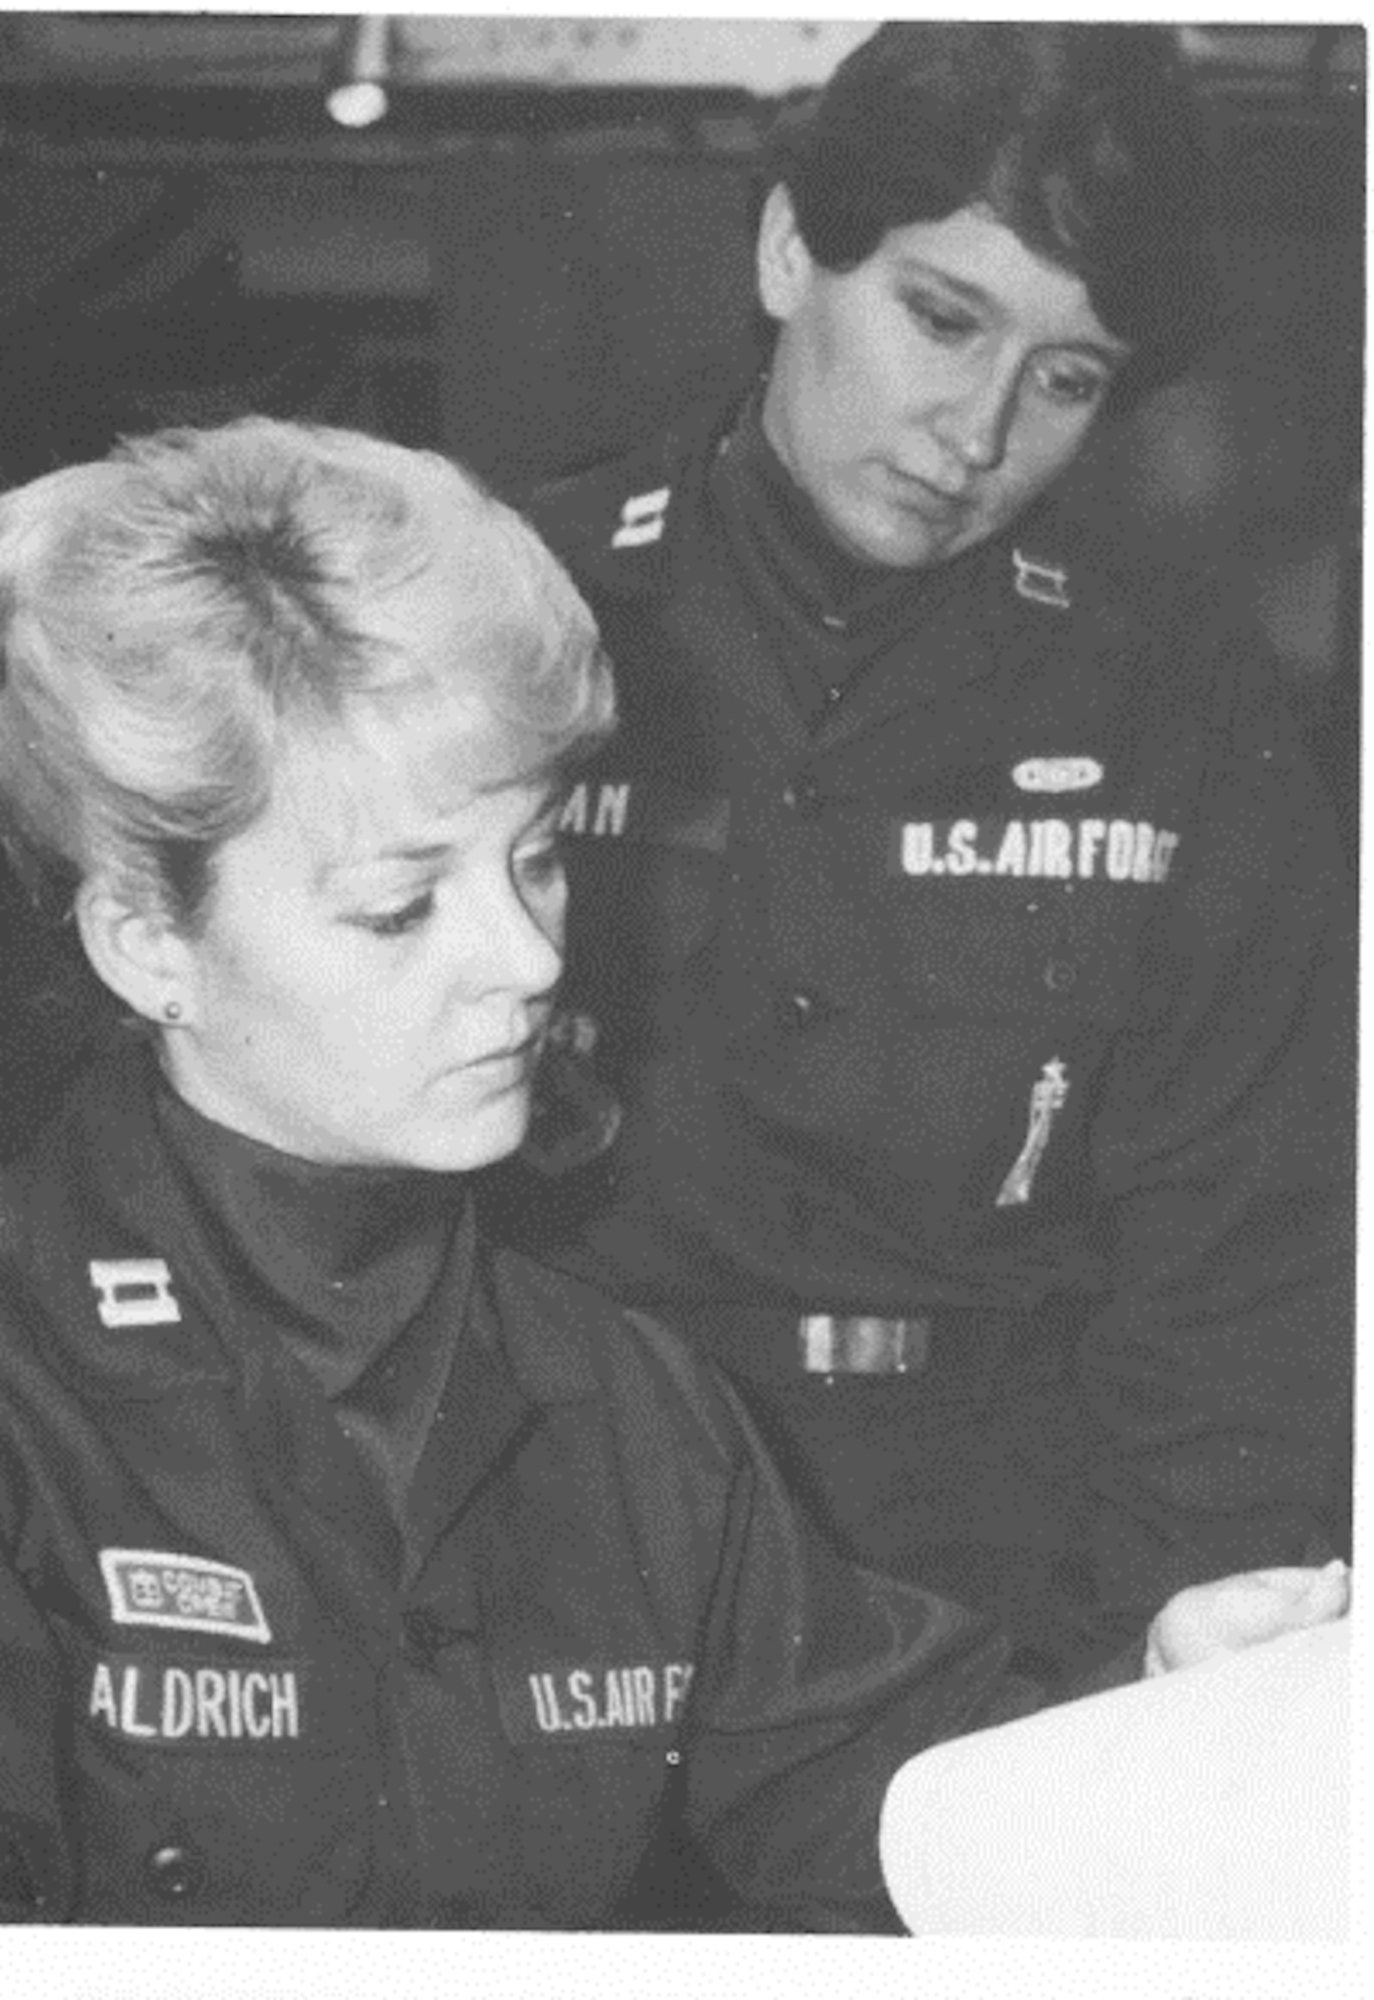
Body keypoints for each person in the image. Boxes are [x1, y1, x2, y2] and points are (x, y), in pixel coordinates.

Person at [0, 417, 1331, 1929]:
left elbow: (883, 1809)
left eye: (540, 857)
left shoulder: (630, 1407)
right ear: (146, 943)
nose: (528, 957)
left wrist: (1155, 1720)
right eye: (399, 907)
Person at [490, 21, 1355, 1678]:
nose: (978, 428)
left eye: (1069, 378)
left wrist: (1173, 1642)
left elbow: (1246, 1243)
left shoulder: (1176, 696)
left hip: (997, 1567)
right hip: (557, 1498)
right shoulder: (517, 604)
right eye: (941, 319)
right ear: (783, 249)